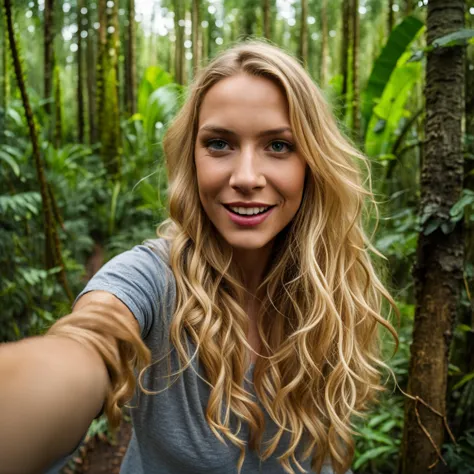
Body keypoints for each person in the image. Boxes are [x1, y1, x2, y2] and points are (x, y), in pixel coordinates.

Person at [0, 40, 398, 474]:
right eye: (220, 144)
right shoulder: (149, 278)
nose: (246, 177)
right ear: (192, 157)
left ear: (312, 162)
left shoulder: (330, 288)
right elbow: (88, 342)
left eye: (279, 146)